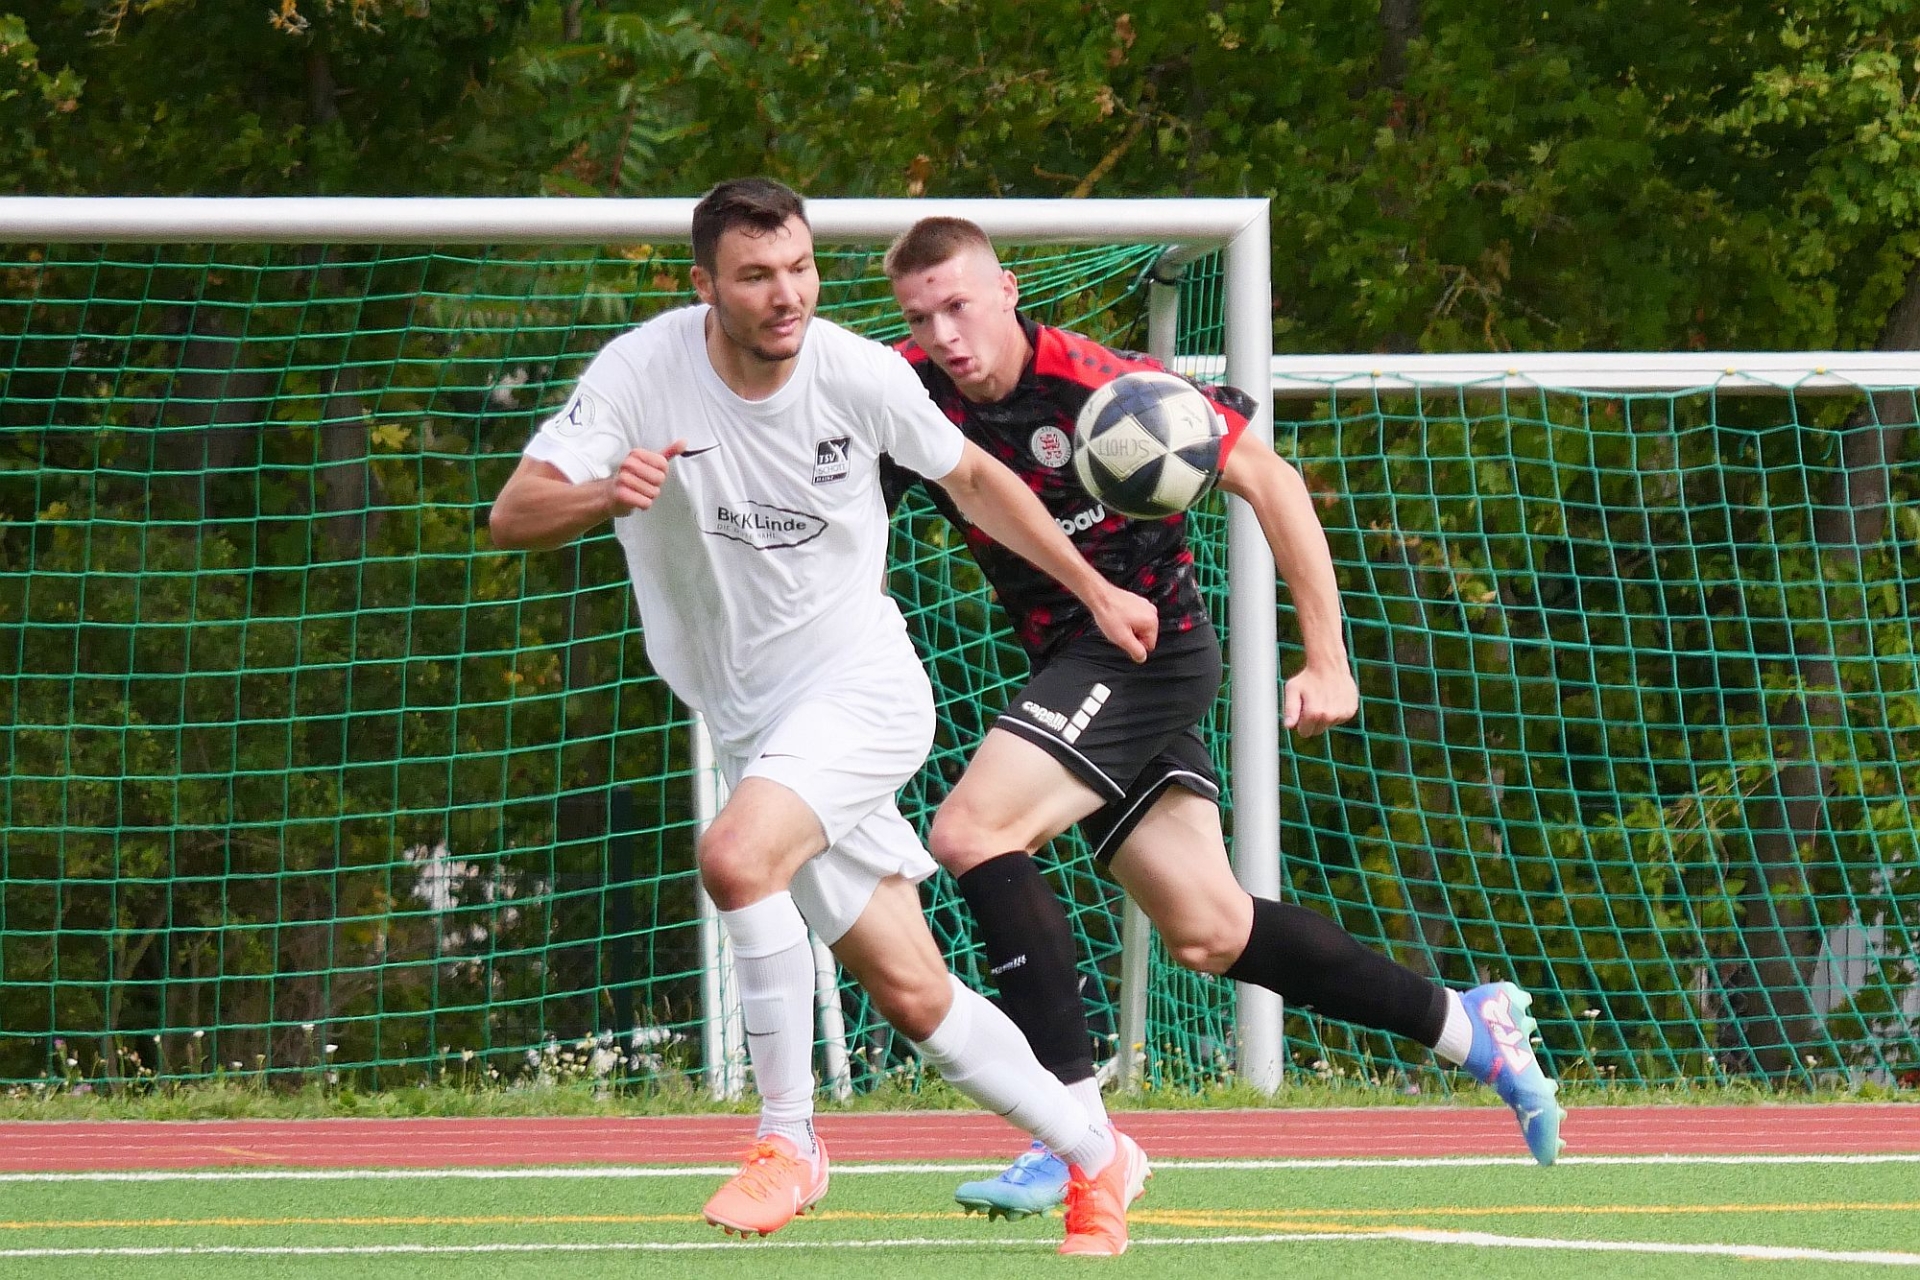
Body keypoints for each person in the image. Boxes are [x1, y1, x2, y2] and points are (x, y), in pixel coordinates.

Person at [488, 181, 1157, 1255]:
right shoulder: (640, 371)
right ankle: (1095, 1152)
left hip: (861, 689)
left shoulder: (857, 372)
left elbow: (978, 479)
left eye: (799, 267)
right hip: (751, 722)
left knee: (735, 856)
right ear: (704, 286)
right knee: (916, 995)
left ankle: (788, 1140)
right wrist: (605, 491)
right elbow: (514, 511)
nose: (787, 293)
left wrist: (1095, 589)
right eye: (756, 275)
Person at [881, 216, 1566, 1220]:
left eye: (959, 305)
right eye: (920, 316)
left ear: (1008, 290)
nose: (944, 333)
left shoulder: (1106, 388)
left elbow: (1272, 483)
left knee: (973, 832)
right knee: (1210, 929)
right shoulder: (905, 394)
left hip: (1151, 654)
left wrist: (1327, 658)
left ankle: (1073, 1137)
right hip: (1076, 666)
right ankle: (1470, 1026)